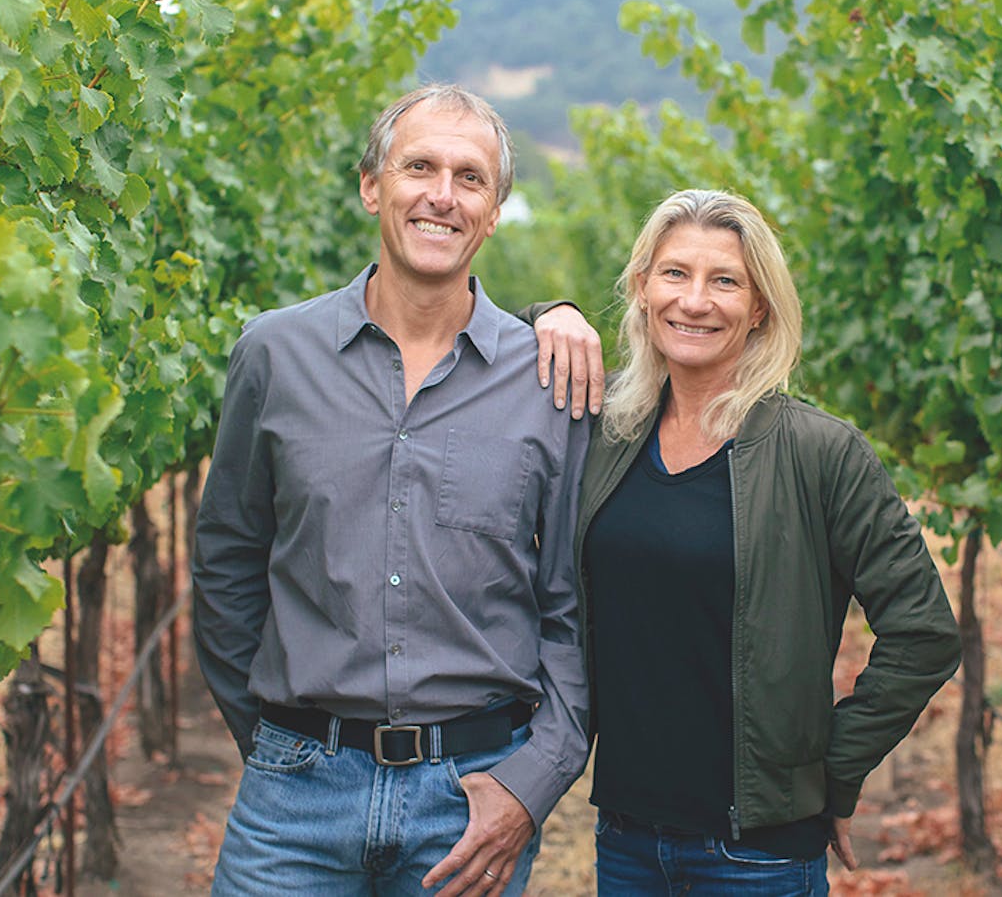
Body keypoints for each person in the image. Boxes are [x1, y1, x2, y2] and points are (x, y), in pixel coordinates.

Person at [192, 84, 595, 896]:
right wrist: (276, 744)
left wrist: (532, 783)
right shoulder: (274, 354)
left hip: (474, 804)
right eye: (419, 166)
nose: (442, 195)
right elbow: (227, 561)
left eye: (470, 178)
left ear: (495, 208)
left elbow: (574, 608)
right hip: (292, 801)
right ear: (372, 185)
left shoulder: (551, 380)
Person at [576, 189, 962, 895]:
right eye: (674, 274)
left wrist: (831, 770)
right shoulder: (608, 437)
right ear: (641, 288)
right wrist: (555, 317)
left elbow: (925, 632)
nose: (694, 300)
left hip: (756, 858)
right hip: (627, 840)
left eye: (724, 280)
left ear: (758, 308)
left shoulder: (822, 453)